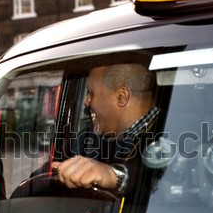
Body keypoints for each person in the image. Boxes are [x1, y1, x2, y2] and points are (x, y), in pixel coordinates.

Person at [52, 63, 161, 195]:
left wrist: (114, 177)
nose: (86, 102)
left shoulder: (174, 132)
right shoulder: (87, 138)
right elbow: (43, 176)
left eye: (90, 93)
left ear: (121, 97)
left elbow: (161, 183)